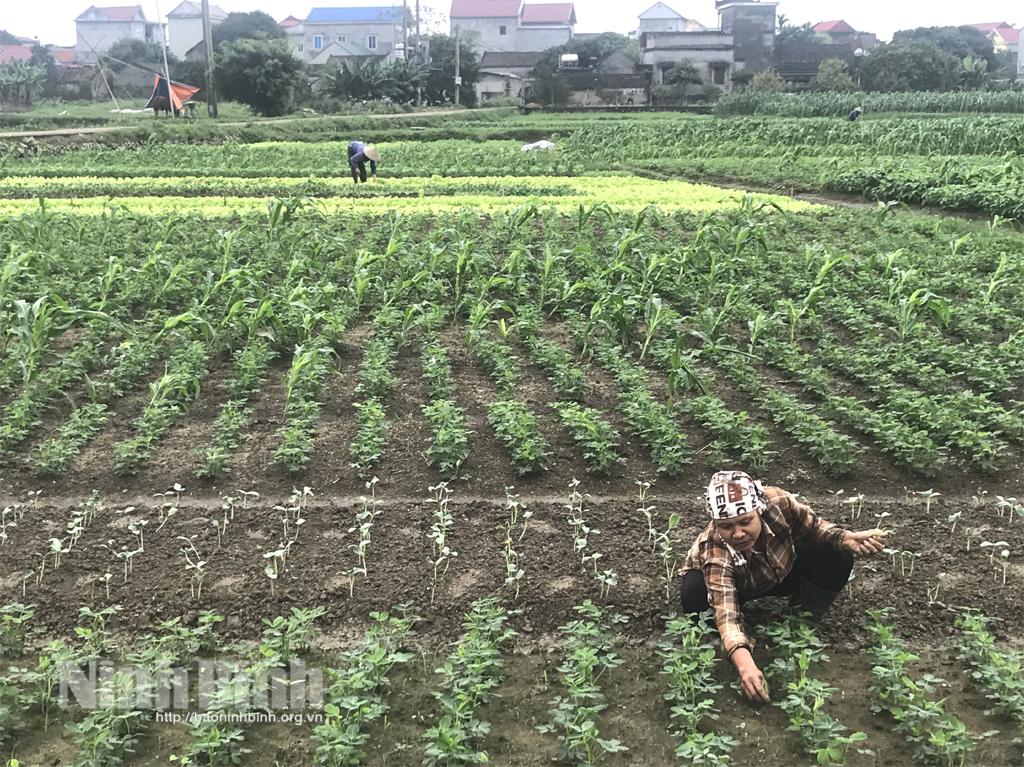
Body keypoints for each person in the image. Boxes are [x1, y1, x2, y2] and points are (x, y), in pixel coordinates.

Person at [679, 470, 886, 703]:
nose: (738, 533)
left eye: (745, 521)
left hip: (779, 568)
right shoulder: (714, 547)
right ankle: (729, 645)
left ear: (759, 509)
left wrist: (846, 538)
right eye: (727, 526)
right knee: (694, 593)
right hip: (736, 586)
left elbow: (814, 526)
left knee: (836, 553)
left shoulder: (778, 502)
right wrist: (745, 665)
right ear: (717, 524)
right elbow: (725, 611)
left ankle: (801, 621)